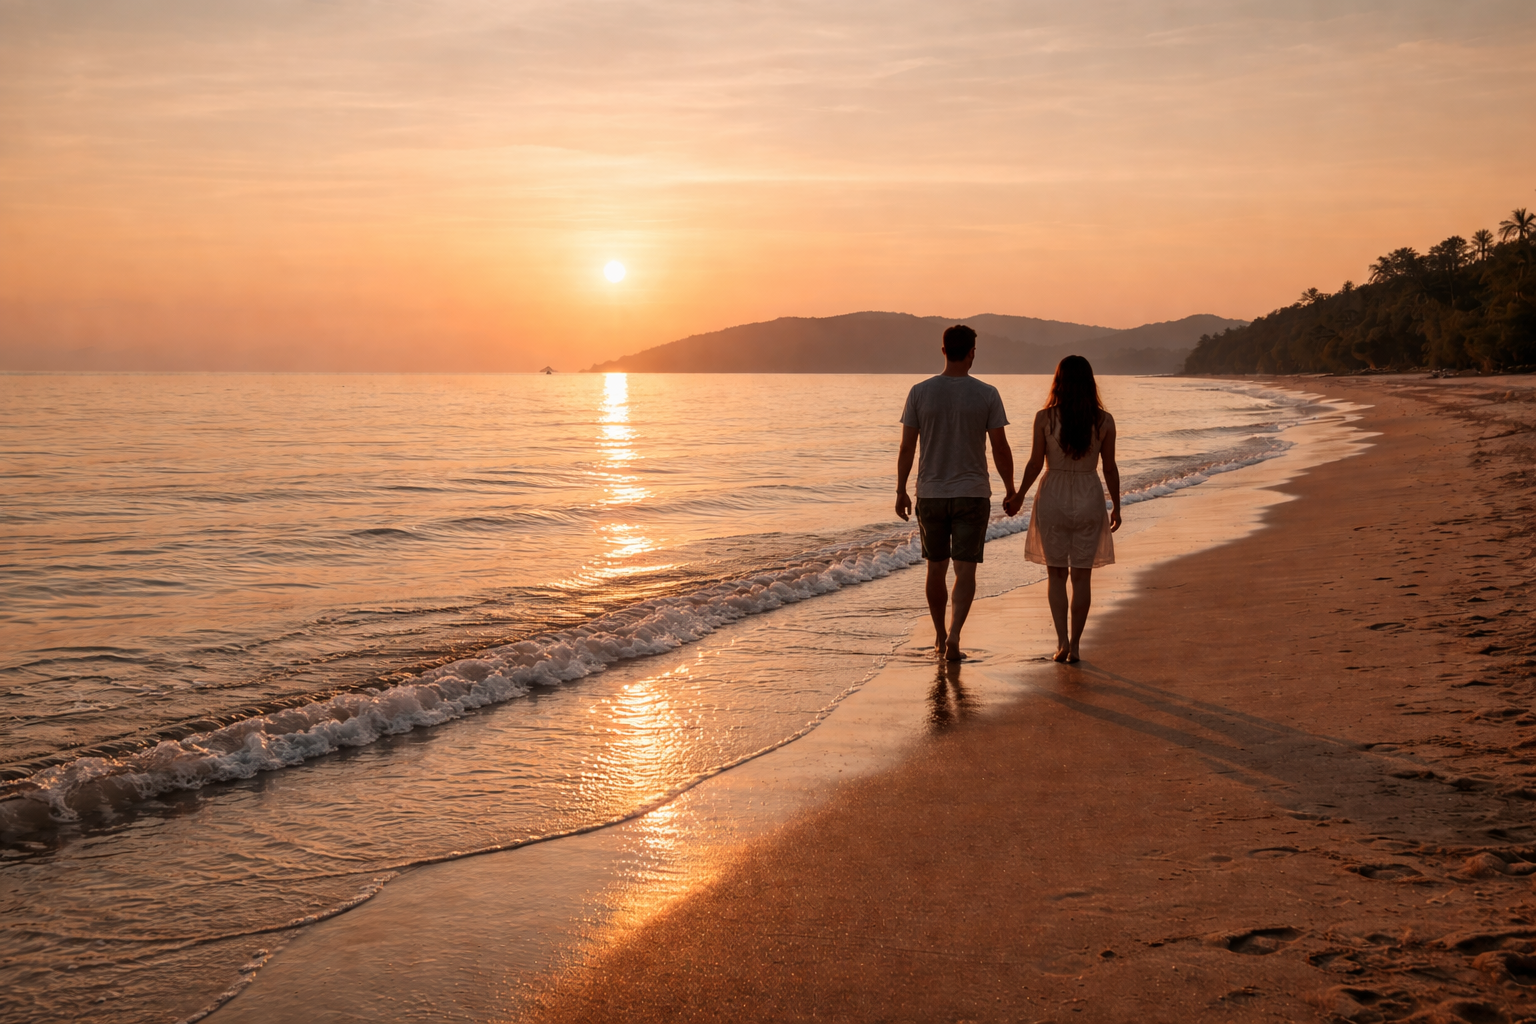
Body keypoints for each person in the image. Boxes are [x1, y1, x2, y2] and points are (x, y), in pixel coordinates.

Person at [896, 324, 1017, 661]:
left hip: (930, 494)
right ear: (972, 353)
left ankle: (937, 635)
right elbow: (1000, 448)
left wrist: (901, 490)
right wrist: (1011, 488)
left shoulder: (919, 392)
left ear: (943, 350)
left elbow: (907, 447)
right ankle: (954, 638)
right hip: (972, 493)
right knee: (966, 571)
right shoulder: (987, 393)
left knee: (935, 568)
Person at [1013, 354, 1121, 664]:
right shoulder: (1103, 421)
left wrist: (1019, 494)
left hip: (1053, 497)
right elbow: (1110, 468)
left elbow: (1036, 463)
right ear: (1090, 382)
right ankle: (1075, 646)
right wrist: (1116, 505)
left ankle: (1061, 643)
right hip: (1089, 493)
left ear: (1058, 382)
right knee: (1082, 578)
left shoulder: (1044, 418)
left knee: (1057, 575)